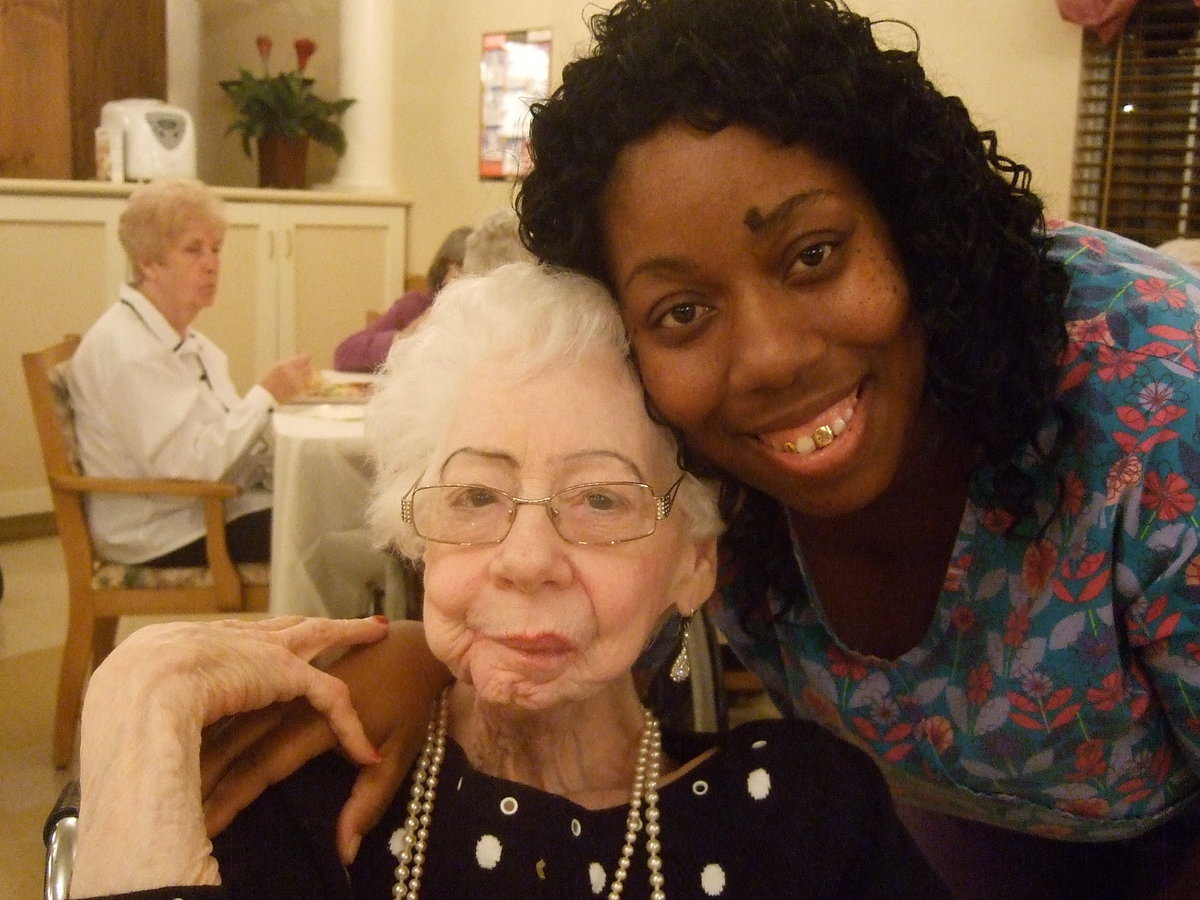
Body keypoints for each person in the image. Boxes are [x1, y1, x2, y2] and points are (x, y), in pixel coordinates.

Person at [199, 1, 1200, 897]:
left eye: (813, 255)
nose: (765, 358)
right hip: (966, 829)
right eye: (681, 309)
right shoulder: (698, 459)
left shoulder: (1157, 409)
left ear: (912, 226)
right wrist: (446, 650)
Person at [66, 262, 946, 899]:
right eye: (476, 494)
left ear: (695, 560)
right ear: (416, 532)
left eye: (601, 499)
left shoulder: (807, 824)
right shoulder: (294, 792)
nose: (525, 558)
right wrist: (134, 694)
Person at [68, 178, 312, 566]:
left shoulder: (190, 342)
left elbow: (222, 443)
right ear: (148, 262)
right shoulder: (128, 350)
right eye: (193, 250)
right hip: (163, 531)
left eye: (216, 249)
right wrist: (265, 395)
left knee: (333, 506)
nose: (212, 264)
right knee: (324, 533)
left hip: (206, 509)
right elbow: (191, 470)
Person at [332, 226, 471, 373]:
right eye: (462, 274)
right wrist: (405, 338)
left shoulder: (489, 311)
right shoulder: (416, 305)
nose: (469, 286)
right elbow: (344, 354)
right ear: (446, 270)